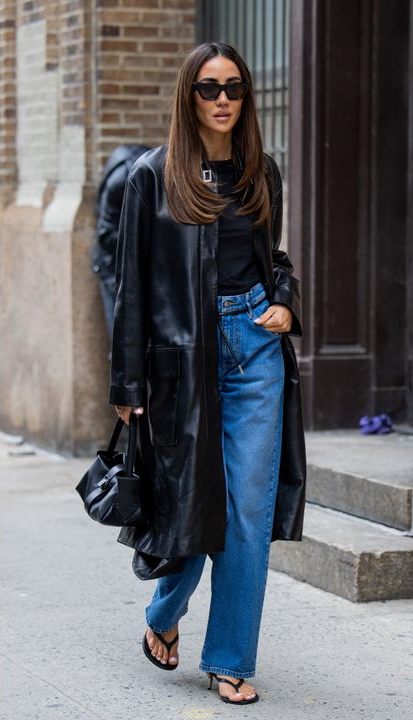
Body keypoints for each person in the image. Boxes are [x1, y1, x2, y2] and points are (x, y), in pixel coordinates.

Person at [110, 42, 307, 705]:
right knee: (196, 504)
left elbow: (271, 256)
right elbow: (131, 287)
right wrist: (126, 388)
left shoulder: (260, 173)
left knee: (246, 511)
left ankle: (229, 658)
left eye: (234, 88)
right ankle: (163, 614)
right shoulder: (151, 177)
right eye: (208, 88)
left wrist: (283, 301)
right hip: (181, 360)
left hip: (254, 345)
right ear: (187, 96)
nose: (223, 99)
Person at [92, 143, 150, 336]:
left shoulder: (157, 174)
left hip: (144, 269)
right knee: (120, 338)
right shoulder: (119, 181)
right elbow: (105, 234)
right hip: (113, 267)